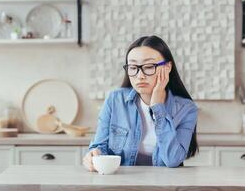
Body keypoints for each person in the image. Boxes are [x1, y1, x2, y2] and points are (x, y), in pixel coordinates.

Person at [83, 35, 198, 169]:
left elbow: (173, 160)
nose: (140, 76)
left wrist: (157, 107)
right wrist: (93, 156)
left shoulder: (186, 108)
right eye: (133, 67)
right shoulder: (115, 100)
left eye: (149, 66)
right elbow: (99, 147)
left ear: (167, 67)